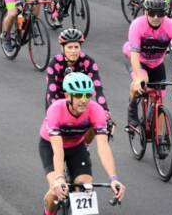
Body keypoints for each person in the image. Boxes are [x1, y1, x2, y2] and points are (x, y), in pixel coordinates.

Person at [39, 73, 124, 215]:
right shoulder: (55, 110)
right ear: (67, 96)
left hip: (76, 146)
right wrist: (59, 178)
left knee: (86, 188)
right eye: (78, 95)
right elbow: (58, 149)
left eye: (87, 95)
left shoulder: (96, 110)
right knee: (54, 192)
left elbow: (103, 146)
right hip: (51, 146)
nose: (84, 100)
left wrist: (114, 178)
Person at [123, 0, 172, 128]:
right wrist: (138, 78)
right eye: (152, 13)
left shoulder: (171, 26)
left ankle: (161, 139)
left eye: (160, 14)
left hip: (156, 62)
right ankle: (132, 109)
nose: (155, 17)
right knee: (142, 80)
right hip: (137, 58)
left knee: (158, 97)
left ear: (165, 14)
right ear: (145, 11)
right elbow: (135, 55)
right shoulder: (137, 25)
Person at [46, 29, 110, 115]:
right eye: (70, 47)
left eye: (76, 47)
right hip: (59, 99)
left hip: (81, 100)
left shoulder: (88, 62)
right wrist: (54, 113)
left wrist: (105, 112)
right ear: (62, 48)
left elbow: (97, 89)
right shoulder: (54, 63)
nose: (73, 51)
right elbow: (51, 92)